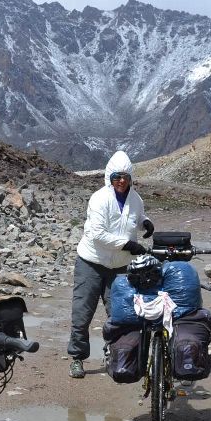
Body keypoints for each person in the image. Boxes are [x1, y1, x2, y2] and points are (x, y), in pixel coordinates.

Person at [67, 150, 153, 379]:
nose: (121, 181)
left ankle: (115, 354)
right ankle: (77, 357)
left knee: (119, 314)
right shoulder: (99, 199)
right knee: (82, 312)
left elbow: (139, 216)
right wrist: (128, 245)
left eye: (125, 176)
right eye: (117, 176)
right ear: (109, 177)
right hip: (92, 262)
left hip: (121, 266)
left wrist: (147, 223)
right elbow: (98, 235)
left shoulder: (136, 199)